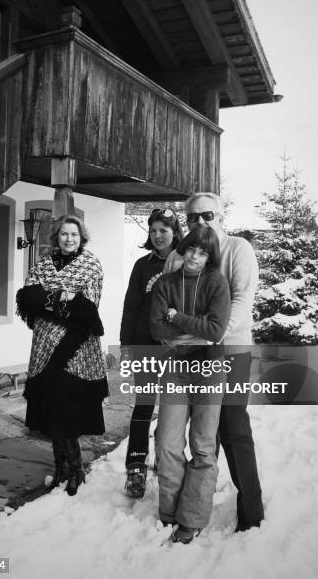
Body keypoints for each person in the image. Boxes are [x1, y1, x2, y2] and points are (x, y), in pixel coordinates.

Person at [164, 192, 264, 533]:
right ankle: (189, 507)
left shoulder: (238, 249)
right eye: (192, 217)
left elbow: (241, 300)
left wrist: (209, 334)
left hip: (231, 350)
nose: (200, 222)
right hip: (187, 354)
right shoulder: (179, 255)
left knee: (232, 427)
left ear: (220, 216)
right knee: (193, 434)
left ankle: (251, 511)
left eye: (206, 215)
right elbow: (165, 301)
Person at [16, 214, 108, 496]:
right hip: (44, 347)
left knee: (67, 410)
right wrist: (62, 298)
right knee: (50, 409)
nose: (69, 239)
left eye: (75, 235)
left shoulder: (90, 265)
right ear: (56, 236)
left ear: (82, 238)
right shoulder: (43, 264)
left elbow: (89, 310)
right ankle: (60, 468)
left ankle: (76, 469)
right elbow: (26, 298)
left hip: (75, 349)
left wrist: (51, 302)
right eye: (65, 234)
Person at [150, 226, 231, 544]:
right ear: (183, 249)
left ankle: (193, 518)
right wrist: (180, 324)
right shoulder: (166, 283)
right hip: (176, 369)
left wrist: (176, 317)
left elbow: (215, 331)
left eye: (203, 252)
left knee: (202, 445)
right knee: (167, 442)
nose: (195, 257)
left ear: (210, 256)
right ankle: (169, 510)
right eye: (191, 250)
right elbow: (157, 328)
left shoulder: (217, 282)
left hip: (210, 368)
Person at [121, 208, 183, 498]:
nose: (158, 236)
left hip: (175, 348)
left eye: (164, 230)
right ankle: (135, 469)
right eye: (153, 230)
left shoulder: (186, 262)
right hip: (144, 344)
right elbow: (131, 307)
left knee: (173, 407)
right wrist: (125, 345)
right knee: (144, 405)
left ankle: (165, 456)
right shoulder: (142, 266)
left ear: (174, 232)